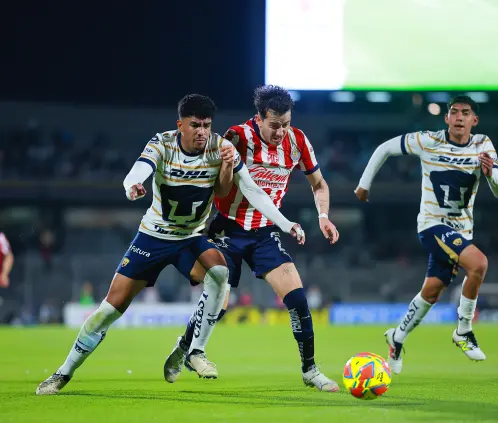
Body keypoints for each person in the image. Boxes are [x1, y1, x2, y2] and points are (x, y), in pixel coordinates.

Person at [36, 93, 305, 395]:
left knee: (220, 275)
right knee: (109, 310)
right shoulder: (162, 144)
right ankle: (63, 373)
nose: (202, 131)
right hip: (153, 236)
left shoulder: (222, 147)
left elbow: (253, 191)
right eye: (195, 125)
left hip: (191, 238)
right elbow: (140, 169)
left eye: (206, 125)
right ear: (181, 125)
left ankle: (196, 351)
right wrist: (131, 186)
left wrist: (286, 223)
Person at [164, 85, 340, 392]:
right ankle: (187, 348)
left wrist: (323, 216)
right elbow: (218, 186)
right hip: (227, 229)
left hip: (264, 233)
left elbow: (319, 184)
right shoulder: (237, 137)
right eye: (274, 125)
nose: (280, 132)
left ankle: (310, 370)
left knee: (298, 299)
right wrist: (227, 169)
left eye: (285, 124)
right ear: (258, 118)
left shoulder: (298, 141)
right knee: (219, 304)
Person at [355, 95, 498, 374]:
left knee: (431, 292)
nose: (458, 117)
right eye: (453, 112)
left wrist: (491, 174)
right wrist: (363, 185)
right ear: (446, 118)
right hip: (432, 225)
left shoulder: (484, 145)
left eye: (465, 113)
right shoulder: (427, 140)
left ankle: (396, 337)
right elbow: (385, 148)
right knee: (479, 263)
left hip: (462, 230)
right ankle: (464, 331)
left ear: (474, 120)